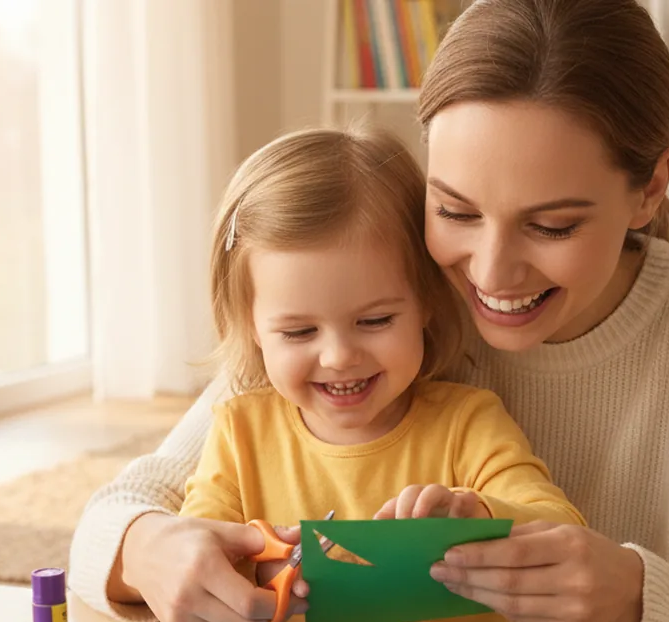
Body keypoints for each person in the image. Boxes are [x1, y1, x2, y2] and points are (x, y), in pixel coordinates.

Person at [68, 0, 669, 622]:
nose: (491, 275)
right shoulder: (375, 290)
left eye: (553, 224)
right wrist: (149, 550)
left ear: (651, 187)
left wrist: (632, 597)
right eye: (456, 211)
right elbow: (113, 517)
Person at [180, 126, 586, 555]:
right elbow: (190, 558)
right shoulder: (239, 433)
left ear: (426, 301)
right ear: (252, 329)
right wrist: (250, 570)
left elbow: (567, 533)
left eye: (375, 320)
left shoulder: (468, 425)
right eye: (299, 332)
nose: (339, 357)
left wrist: (479, 515)